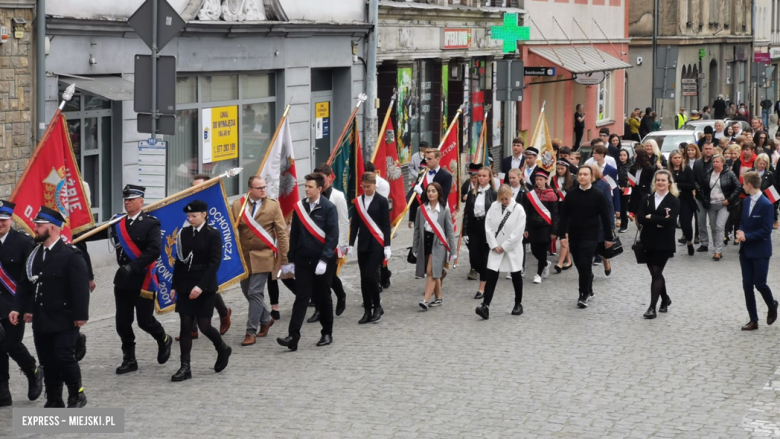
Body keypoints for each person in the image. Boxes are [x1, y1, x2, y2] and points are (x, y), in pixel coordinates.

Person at [83, 185, 172, 374]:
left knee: (145, 321)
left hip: (143, 279)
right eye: (126, 199)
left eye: (131, 199)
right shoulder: (117, 222)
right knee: (122, 322)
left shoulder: (150, 223)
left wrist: (133, 266)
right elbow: (95, 234)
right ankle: (129, 358)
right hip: (123, 280)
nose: (127, 202)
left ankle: (163, 338)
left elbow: (154, 250)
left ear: (141, 201)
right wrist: (76, 235)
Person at [10, 207, 89, 408]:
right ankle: (54, 397)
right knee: (47, 360)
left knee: (64, 356)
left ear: (52, 228)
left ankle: (76, 393)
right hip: (42, 318)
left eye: (39, 225)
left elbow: (80, 288)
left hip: (65, 317)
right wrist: (18, 308)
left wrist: (81, 315)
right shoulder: (35, 255)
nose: (34, 228)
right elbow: (25, 284)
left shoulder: (71, 255)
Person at [277, 173, 339, 351]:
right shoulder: (300, 207)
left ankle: (327, 332)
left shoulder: (329, 208)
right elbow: (295, 234)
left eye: (310, 187)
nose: (306, 189)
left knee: (323, 297)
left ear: (319, 189)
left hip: (322, 261)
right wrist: (290, 259)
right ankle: (293, 337)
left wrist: (325, 259)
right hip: (304, 260)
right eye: (305, 186)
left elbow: (332, 237)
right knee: (302, 297)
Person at [170, 201, 230, 381]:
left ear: (204, 214)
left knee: (204, 326)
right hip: (186, 284)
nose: (190, 219)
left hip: (205, 284)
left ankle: (222, 348)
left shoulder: (214, 235)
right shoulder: (184, 233)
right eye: (188, 216)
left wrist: (201, 286)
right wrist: (174, 285)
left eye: (194, 216)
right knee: (185, 325)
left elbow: (214, 263)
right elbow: (180, 261)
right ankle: (185, 367)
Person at [231, 176, 289, 346]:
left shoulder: (273, 205)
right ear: (250, 189)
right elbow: (233, 229)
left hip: (264, 256)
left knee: (255, 292)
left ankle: (251, 331)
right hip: (244, 257)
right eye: (259, 188)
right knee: (247, 292)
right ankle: (266, 318)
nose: (263, 190)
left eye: (264, 187)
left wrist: (284, 258)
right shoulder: (238, 205)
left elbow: (282, 232)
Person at [176, 175, 232, 342]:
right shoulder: (189, 205)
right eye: (193, 186)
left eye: (200, 186)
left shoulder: (213, 200)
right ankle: (191, 328)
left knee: (208, 287)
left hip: (207, 253)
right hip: (191, 264)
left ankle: (223, 313)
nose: (195, 189)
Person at [0, 201, 42, 407]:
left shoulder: (24, 242)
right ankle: (3, 391)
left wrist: (29, 307)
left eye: (3, 219)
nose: (0, 223)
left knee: (11, 344)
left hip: (14, 303)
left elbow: (31, 277)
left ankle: (33, 371)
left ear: (11, 219)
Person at [560, 166, 613, 308]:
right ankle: (589, 286)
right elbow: (564, 215)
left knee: (585, 263)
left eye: (585, 174)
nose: (582, 177)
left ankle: (583, 294)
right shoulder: (571, 194)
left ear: (591, 177)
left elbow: (606, 217)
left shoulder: (598, 194)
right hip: (574, 234)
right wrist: (562, 234)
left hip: (591, 235)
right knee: (579, 264)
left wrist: (609, 237)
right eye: (580, 174)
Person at [475, 185, 526, 319]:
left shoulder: (518, 209)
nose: (504, 201)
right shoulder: (494, 206)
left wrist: (505, 246)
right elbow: (488, 226)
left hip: (512, 248)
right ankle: (485, 305)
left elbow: (518, 232)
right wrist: (493, 244)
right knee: (491, 275)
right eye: (502, 199)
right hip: (496, 246)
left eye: (506, 199)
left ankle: (518, 303)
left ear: (511, 196)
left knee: (516, 275)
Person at [736, 171, 778, 330]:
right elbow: (742, 222)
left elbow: (767, 230)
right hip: (745, 251)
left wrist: (748, 236)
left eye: (743, 183)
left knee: (760, 283)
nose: (742, 186)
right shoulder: (746, 202)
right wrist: (740, 232)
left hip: (760, 251)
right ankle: (753, 320)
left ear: (749, 185)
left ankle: (772, 305)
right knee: (747, 285)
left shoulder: (766, 204)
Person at [636, 170, 680, 319]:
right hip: (648, 240)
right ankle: (665, 298)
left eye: (663, 180)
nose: (660, 183)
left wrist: (652, 217)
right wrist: (659, 220)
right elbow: (641, 217)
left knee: (656, 271)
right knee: (655, 273)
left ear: (669, 182)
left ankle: (652, 308)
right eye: (658, 180)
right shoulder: (647, 198)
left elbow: (670, 221)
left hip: (664, 241)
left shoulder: (674, 200)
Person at [308, 164, 349, 323]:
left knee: (328, 277)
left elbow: (344, 221)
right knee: (319, 278)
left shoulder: (337, 197)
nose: (320, 182)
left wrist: (341, 245)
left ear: (330, 179)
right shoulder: (313, 196)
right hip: (316, 244)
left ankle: (339, 296)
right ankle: (320, 307)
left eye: (322, 179)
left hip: (332, 243)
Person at [348, 172, 391, 323]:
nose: (366, 189)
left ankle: (377, 306)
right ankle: (367, 310)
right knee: (363, 279)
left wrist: (387, 246)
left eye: (368, 186)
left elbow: (386, 225)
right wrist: (351, 243)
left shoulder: (382, 201)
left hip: (377, 244)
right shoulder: (358, 201)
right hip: (363, 245)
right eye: (363, 186)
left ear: (375, 185)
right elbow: (355, 225)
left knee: (370, 275)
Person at [413, 182, 457, 310]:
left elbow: (450, 231)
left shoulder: (444, 210)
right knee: (436, 271)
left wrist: (453, 251)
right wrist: (415, 248)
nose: (430, 193)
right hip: (425, 243)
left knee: (430, 271)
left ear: (439, 193)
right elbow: (417, 230)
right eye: (428, 191)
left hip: (438, 243)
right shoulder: (420, 209)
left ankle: (425, 300)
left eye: (433, 191)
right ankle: (438, 298)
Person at [463, 166, 497, 299]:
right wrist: (465, 231)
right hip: (474, 226)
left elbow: (497, 213)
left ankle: (482, 288)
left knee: (484, 258)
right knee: (474, 258)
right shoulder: (472, 192)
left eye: (484, 176)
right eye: (479, 176)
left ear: (489, 178)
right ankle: (484, 275)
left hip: (487, 227)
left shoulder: (494, 193)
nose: (481, 178)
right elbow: (466, 213)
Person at [521, 168, 559, 284]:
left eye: (540, 179)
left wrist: (554, 231)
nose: (538, 182)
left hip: (545, 226)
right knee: (534, 250)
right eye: (537, 179)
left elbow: (555, 214)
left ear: (546, 180)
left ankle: (538, 274)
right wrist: (526, 228)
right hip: (533, 225)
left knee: (542, 250)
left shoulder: (552, 194)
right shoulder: (530, 194)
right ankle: (545, 263)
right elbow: (526, 212)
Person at [703, 154, 741, 261]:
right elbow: (703, 187)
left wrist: (729, 199)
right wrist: (705, 199)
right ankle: (717, 246)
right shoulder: (708, 173)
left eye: (717, 161)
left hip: (723, 205)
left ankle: (718, 251)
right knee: (713, 227)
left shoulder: (729, 174)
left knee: (720, 227)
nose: (715, 164)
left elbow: (738, 187)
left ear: (723, 163)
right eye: (713, 162)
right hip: (711, 204)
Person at [408, 149, 453, 226]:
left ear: (437, 159)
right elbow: (415, 196)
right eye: (426, 158)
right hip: (421, 214)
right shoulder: (422, 174)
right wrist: (411, 217)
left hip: (437, 215)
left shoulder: (446, 176)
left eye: (429, 159)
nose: (427, 161)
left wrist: (422, 193)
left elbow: (442, 198)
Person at [668, 151, 697, 255]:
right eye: (675, 158)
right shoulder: (668, 171)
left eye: (679, 157)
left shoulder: (687, 169)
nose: (677, 159)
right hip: (671, 200)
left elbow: (692, 185)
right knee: (670, 224)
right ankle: (670, 247)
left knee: (686, 223)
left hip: (685, 199)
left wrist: (677, 185)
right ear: (671, 159)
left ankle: (689, 242)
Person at [551, 160, 574, 271]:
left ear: (567, 169)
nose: (560, 171)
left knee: (564, 236)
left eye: (562, 169)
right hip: (558, 208)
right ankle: (568, 261)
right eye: (558, 169)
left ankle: (560, 263)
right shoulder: (553, 179)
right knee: (563, 235)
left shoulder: (573, 179)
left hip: (569, 209)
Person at [694, 141, 716, 251]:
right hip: (699, 196)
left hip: (713, 196)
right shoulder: (697, 162)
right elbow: (694, 178)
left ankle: (716, 243)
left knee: (714, 223)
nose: (708, 150)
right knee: (701, 221)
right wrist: (698, 189)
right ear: (702, 149)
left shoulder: (716, 162)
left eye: (710, 148)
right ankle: (704, 243)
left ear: (713, 149)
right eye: (706, 148)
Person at [628, 149, 656, 217]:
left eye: (635, 154)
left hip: (644, 191)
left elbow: (652, 180)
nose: (634, 156)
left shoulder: (649, 168)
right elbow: (631, 178)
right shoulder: (633, 167)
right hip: (635, 190)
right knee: (635, 209)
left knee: (643, 209)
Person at [617, 149, 633, 233]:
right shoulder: (617, 165)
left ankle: (624, 225)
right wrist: (619, 186)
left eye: (624, 155)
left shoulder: (631, 166)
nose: (622, 157)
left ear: (627, 156)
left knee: (624, 207)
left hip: (628, 189)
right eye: (620, 155)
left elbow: (633, 179)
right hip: (618, 188)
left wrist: (627, 185)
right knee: (619, 207)